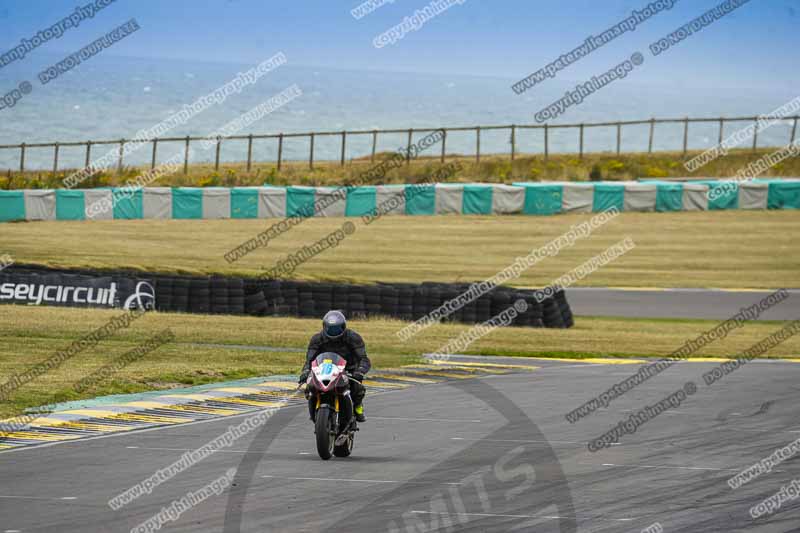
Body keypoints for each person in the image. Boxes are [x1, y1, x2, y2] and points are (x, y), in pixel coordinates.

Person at [298, 310, 370, 422]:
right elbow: (309, 360)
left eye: (337, 328)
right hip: (324, 370)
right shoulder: (317, 339)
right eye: (330, 328)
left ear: (344, 326)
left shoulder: (353, 338)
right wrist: (305, 372)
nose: (334, 331)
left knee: (357, 388)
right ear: (324, 327)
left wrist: (360, 372)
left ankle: (357, 407)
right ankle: (315, 410)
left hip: (348, 370)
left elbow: (363, 359)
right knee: (310, 388)